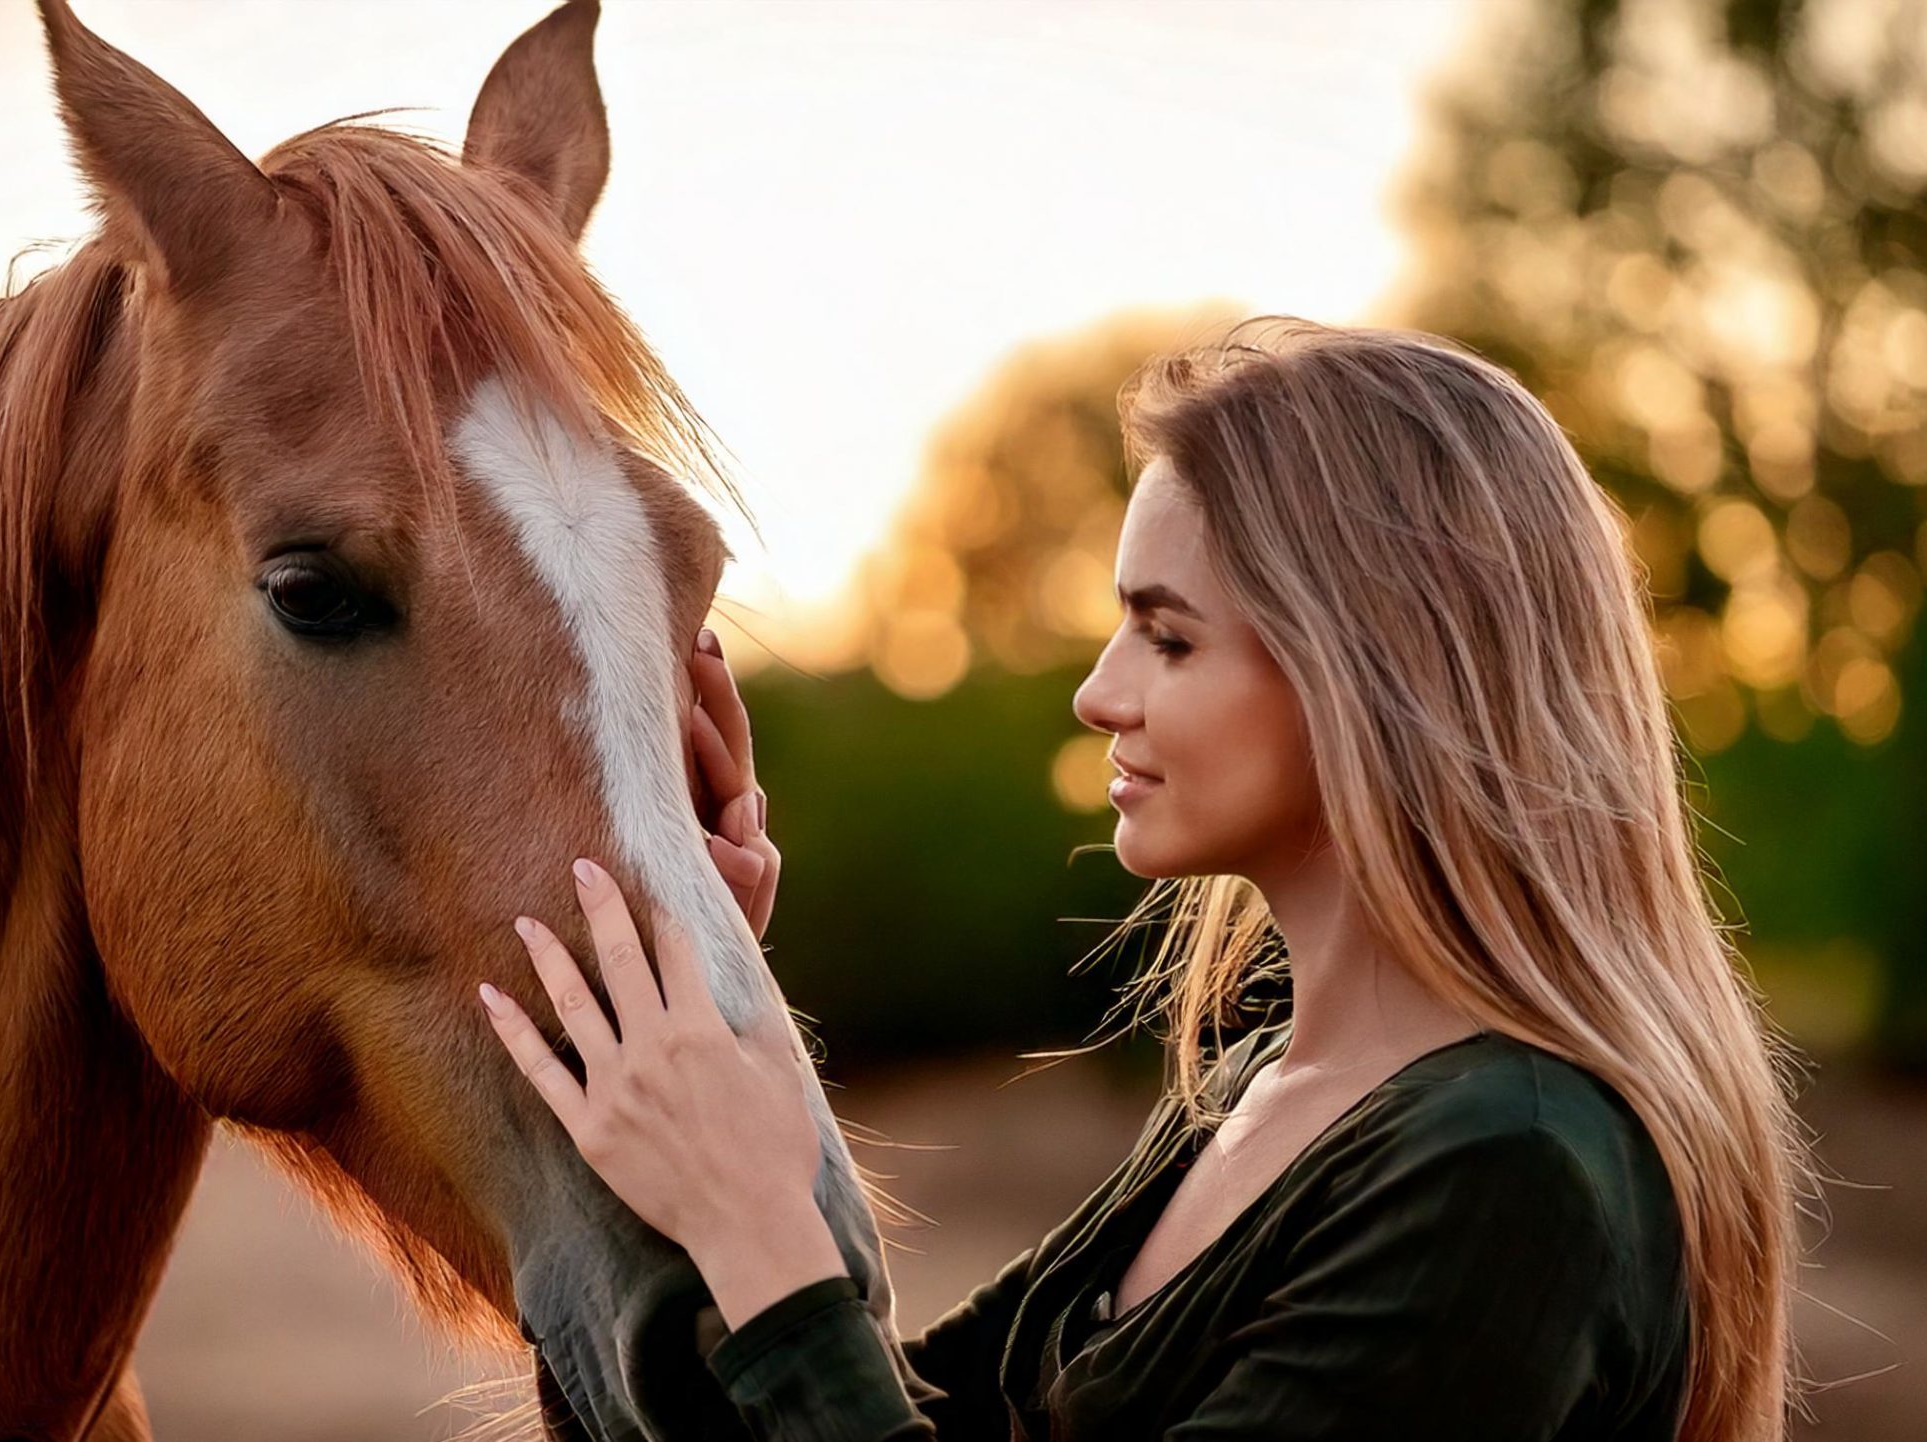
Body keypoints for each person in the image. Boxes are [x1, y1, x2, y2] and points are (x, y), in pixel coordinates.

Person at [475, 318, 1810, 1441]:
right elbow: (841, 1408)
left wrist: (766, 1233)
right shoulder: (1260, 1087)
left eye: (1168, 637)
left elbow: (818, 1377)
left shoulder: (1509, 1175)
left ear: (1378, 672)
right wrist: (702, 980)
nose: (1099, 691)